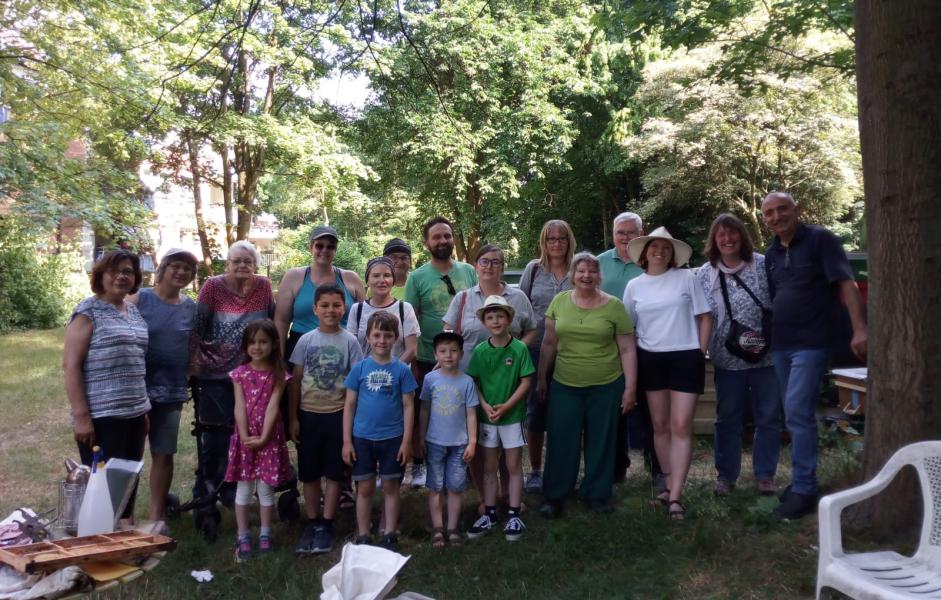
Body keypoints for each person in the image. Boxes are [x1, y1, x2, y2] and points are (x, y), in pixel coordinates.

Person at [761, 191, 867, 519]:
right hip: (781, 343)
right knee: (795, 413)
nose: (776, 217)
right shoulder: (772, 253)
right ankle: (800, 479)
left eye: (782, 209)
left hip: (813, 341)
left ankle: (805, 489)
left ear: (797, 210)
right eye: (769, 213)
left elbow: (846, 283)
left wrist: (860, 329)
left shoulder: (821, 240)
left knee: (796, 410)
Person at [538, 253, 638, 518]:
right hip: (565, 384)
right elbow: (548, 342)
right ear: (573, 274)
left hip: (606, 385)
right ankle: (555, 495)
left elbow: (627, 348)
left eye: (592, 271)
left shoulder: (614, 306)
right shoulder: (559, 302)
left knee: (601, 441)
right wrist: (541, 378)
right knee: (561, 440)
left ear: (599, 275)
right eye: (581, 271)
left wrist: (630, 388)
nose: (586, 276)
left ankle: (598, 494)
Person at [623, 227, 712, 520]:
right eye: (654, 247)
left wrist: (700, 352)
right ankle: (667, 482)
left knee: (681, 424)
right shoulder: (634, 286)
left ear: (672, 253)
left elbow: (704, 316)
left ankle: (676, 496)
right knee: (660, 425)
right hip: (650, 358)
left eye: (665, 247)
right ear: (645, 252)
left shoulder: (687, 277)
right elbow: (627, 329)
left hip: (686, 357)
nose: (660, 251)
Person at [696, 214, 782, 497]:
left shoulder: (761, 264)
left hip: (765, 356)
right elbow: (699, 314)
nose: (727, 239)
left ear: (741, 236)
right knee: (727, 417)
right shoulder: (704, 273)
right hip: (726, 357)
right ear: (714, 239)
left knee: (768, 416)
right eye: (721, 235)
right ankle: (726, 476)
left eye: (732, 234)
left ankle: (765, 474)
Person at [63, 249, 150, 522]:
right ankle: (96, 545)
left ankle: (122, 543)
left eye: (128, 271)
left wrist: (142, 409)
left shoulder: (132, 311)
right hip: (102, 417)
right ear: (101, 276)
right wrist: (81, 415)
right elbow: (70, 365)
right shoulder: (88, 312)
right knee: (100, 491)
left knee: (127, 482)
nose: (122, 276)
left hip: (134, 413)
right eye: (115, 271)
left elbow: (135, 361)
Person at [190, 240, 275, 509]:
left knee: (243, 433)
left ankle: (232, 489)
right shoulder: (212, 286)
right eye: (236, 261)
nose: (242, 266)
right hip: (213, 374)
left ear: (255, 265)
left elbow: (270, 326)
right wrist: (191, 366)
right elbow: (197, 328)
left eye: (247, 261)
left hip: (251, 375)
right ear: (227, 264)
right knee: (214, 436)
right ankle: (206, 490)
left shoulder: (263, 287)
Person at [289, 284, 363, 554]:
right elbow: (295, 382)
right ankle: (312, 520)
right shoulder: (305, 340)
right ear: (315, 309)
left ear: (344, 308)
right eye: (325, 305)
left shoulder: (350, 341)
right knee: (309, 472)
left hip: (338, 416)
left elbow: (356, 384)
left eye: (336, 305)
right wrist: (293, 418)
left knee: (334, 472)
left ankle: (327, 523)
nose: (331, 310)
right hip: (308, 416)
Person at [403, 216, 477, 487]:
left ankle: (465, 462)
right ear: (426, 243)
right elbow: (410, 319)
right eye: (436, 237)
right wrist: (413, 360)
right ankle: (422, 462)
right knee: (428, 409)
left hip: (466, 355)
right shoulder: (418, 277)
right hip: (428, 359)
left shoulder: (468, 271)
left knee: (463, 409)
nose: (443, 241)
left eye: (447, 235)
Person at [127, 248, 198, 524]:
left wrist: (189, 372)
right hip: (135, 389)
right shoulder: (140, 298)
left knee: (164, 452)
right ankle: (125, 517)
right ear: (164, 268)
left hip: (170, 390)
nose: (181, 272)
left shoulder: (190, 307)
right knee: (129, 455)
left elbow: (193, 344)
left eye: (187, 269)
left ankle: (157, 517)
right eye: (176, 266)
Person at [342, 312, 418, 552]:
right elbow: (350, 405)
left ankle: (389, 533)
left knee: (390, 486)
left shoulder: (402, 370)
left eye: (387, 335)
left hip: (393, 438)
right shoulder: (359, 369)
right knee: (364, 487)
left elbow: (408, 406)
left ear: (396, 338)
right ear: (368, 337)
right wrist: (347, 441)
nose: (382, 340)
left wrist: (406, 442)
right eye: (376, 335)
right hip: (362, 438)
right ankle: (363, 533)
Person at [463, 296, 535, 542]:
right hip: (487, 418)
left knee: (513, 466)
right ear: (484, 321)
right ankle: (490, 512)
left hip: (512, 417)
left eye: (500, 316)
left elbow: (526, 381)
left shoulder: (519, 348)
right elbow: (474, 381)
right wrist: (484, 404)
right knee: (489, 467)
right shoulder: (481, 351)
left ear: (509, 319)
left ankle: (514, 513)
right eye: (490, 317)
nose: (495, 321)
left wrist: (507, 406)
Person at [597, 212, 660, 486]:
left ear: (641, 233)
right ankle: (617, 467)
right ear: (612, 234)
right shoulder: (598, 263)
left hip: (647, 345)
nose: (625, 237)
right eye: (620, 232)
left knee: (649, 409)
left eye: (631, 232)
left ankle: (656, 466)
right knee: (614, 411)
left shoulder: (652, 262)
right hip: (608, 349)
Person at [224, 320, 293, 561]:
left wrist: (264, 436)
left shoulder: (279, 375)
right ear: (245, 346)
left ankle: (265, 533)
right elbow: (239, 406)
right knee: (243, 489)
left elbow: (274, 406)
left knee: (265, 489)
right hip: (245, 437)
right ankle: (243, 534)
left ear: (274, 344)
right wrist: (243, 435)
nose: (257, 347)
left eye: (263, 341)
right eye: (252, 342)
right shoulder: (239, 374)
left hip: (269, 437)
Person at [517, 220, 575, 493]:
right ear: (544, 241)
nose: (556, 244)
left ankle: (562, 468)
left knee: (566, 412)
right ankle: (536, 471)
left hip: (572, 350)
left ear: (569, 241)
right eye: (551, 239)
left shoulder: (578, 270)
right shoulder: (534, 269)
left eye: (561, 238)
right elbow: (521, 308)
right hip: (536, 348)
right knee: (536, 409)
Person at [418, 331, 480, 548]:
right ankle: (437, 527)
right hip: (434, 441)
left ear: (461, 354)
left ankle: (452, 527)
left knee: (455, 486)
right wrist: (420, 438)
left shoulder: (467, 381)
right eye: (443, 351)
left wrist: (472, 441)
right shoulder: (430, 379)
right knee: (435, 486)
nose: (448, 355)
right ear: (435, 354)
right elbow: (424, 410)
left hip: (459, 444)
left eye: (453, 350)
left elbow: (471, 413)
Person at [275, 225, 366, 364]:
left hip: (343, 349)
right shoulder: (293, 277)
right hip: (301, 350)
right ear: (311, 247)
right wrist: (279, 359)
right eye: (319, 245)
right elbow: (281, 322)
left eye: (330, 246)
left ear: (336, 250)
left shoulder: (350, 278)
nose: (325, 250)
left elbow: (364, 320)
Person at [348, 256, 420, 364]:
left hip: (396, 376)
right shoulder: (357, 309)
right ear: (368, 281)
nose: (382, 280)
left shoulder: (405, 309)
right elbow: (352, 349)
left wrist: (393, 370)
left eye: (387, 275)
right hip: (365, 376)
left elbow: (412, 350)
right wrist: (363, 371)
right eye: (376, 276)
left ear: (393, 280)